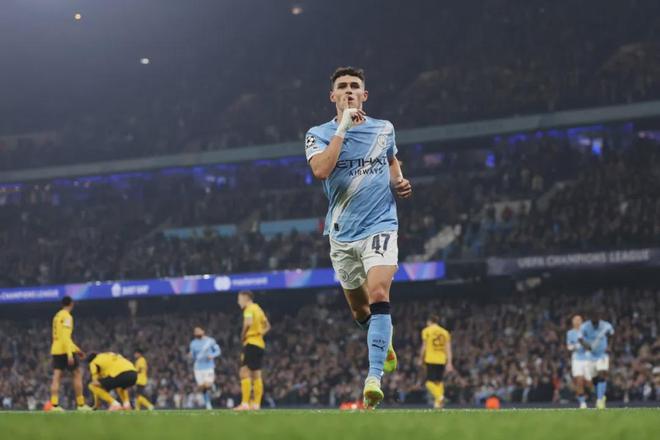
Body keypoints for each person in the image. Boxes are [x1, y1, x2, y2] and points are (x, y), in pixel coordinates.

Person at [305, 66, 412, 408]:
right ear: (332, 96)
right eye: (342, 87)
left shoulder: (384, 128)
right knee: (360, 309)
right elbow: (321, 169)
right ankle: (383, 339)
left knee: (379, 292)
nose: (348, 90)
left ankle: (373, 379)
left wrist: (398, 180)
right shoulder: (318, 134)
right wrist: (343, 127)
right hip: (342, 234)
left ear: (364, 95)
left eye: (354, 86)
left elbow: (392, 159)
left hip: (380, 225)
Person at [47, 296, 91, 411]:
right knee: (77, 374)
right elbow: (66, 337)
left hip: (56, 349)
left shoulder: (57, 316)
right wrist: (70, 354)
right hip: (65, 350)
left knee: (56, 377)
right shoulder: (67, 317)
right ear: (71, 304)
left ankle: (54, 405)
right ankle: (81, 405)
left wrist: (77, 350)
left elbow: (60, 336)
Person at [235, 290, 271, 411]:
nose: (238, 302)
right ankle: (256, 404)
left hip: (250, 343)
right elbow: (268, 326)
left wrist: (243, 335)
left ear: (246, 298)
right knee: (256, 374)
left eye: (239, 299)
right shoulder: (258, 309)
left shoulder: (249, 309)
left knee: (244, 372)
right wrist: (259, 334)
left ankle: (245, 403)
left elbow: (248, 323)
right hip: (259, 344)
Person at [579, 309, 615, 409]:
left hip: (602, 354)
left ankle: (599, 400)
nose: (596, 318)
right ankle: (601, 396)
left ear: (600, 316)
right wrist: (586, 346)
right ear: (590, 317)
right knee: (594, 379)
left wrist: (609, 346)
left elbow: (612, 335)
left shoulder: (606, 326)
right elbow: (580, 339)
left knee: (602, 373)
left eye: (597, 315)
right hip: (591, 355)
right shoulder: (584, 326)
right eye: (593, 316)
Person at [420, 315, 453, 408]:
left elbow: (424, 347)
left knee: (428, 383)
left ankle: (439, 397)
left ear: (429, 321)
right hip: (442, 359)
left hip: (430, 359)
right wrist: (449, 362)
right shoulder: (445, 332)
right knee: (439, 381)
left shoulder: (426, 331)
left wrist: (420, 358)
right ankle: (438, 404)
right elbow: (448, 349)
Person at [189, 326, 221, 410]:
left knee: (207, 384)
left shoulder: (210, 341)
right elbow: (193, 356)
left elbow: (218, 351)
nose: (197, 332)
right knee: (202, 387)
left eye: (198, 330)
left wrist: (212, 355)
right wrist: (190, 356)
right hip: (198, 368)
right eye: (195, 331)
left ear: (203, 331)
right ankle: (208, 403)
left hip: (208, 367)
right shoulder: (193, 343)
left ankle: (213, 387)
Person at [566, 314, 590, 408]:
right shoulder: (570, 333)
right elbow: (569, 346)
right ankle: (582, 402)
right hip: (576, 359)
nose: (577, 321)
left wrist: (582, 342)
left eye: (579, 320)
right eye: (575, 320)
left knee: (588, 382)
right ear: (572, 322)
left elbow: (589, 347)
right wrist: (574, 347)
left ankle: (593, 396)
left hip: (587, 359)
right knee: (579, 380)